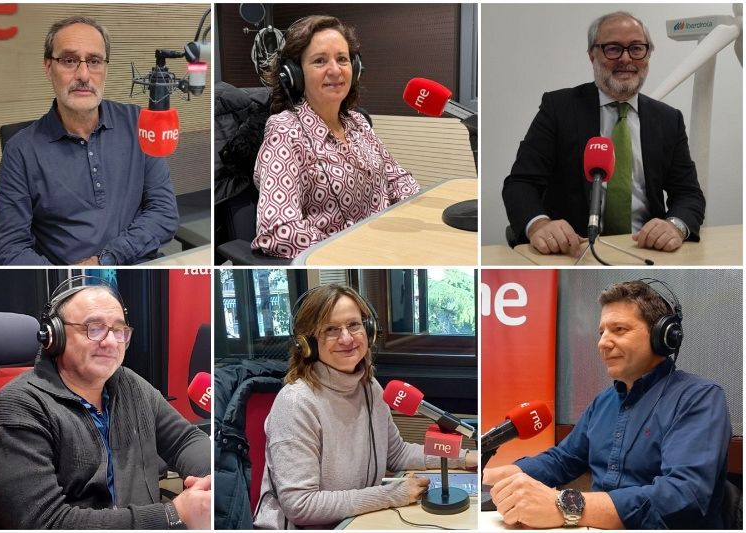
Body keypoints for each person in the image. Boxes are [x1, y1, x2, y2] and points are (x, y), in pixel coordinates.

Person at [0, 281, 211, 529]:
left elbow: (185, 440)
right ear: (54, 336)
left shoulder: (129, 384)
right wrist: (172, 515)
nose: (111, 342)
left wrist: (210, 480)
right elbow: (46, 523)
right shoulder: (17, 409)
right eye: (95, 328)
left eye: (119, 330)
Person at [483, 280, 731, 529]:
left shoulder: (699, 398)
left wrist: (566, 506)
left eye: (619, 329)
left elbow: (683, 495)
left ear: (662, 335)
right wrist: (512, 474)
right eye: (602, 332)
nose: (603, 343)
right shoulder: (603, 402)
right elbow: (564, 458)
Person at [252, 284, 477, 528]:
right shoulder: (296, 403)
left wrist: (464, 458)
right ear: (308, 344)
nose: (347, 338)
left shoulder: (369, 388)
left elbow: (396, 454)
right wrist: (390, 495)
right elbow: (301, 505)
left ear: (368, 330)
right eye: (331, 329)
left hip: (355, 521)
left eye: (353, 325)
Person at [502, 11, 705, 257]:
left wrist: (676, 226)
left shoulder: (669, 119)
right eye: (613, 49)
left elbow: (688, 194)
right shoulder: (559, 107)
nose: (626, 58)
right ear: (592, 55)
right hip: (573, 250)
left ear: (648, 54)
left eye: (636, 48)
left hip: (643, 250)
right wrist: (539, 224)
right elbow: (521, 183)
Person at [0, 16, 179, 265]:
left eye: (94, 61)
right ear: (48, 67)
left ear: (105, 68)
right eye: (69, 60)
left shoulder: (141, 123)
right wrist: (74, 280)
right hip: (72, 278)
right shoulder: (21, 151)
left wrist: (107, 258)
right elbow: (10, 250)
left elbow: (164, 213)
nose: (83, 74)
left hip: (140, 264)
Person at [251, 16, 420, 258]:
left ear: (356, 68)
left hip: (390, 250)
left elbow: (397, 179)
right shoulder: (285, 131)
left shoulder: (357, 122)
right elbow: (278, 230)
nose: (335, 70)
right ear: (294, 74)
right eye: (320, 61)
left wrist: (419, 213)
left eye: (342, 59)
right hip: (349, 256)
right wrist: (350, 250)